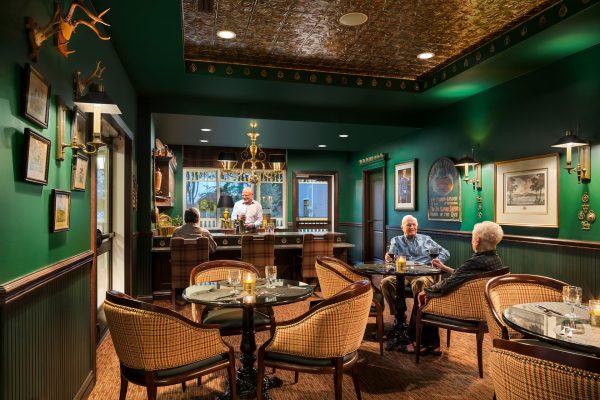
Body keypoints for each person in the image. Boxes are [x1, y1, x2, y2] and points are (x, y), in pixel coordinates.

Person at [409, 221, 505, 355]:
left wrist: (426, 291)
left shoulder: (475, 261)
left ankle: (418, 343)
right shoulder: (495, 260)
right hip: (482, 309)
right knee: (429, 294)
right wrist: (444, 268)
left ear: (476, 241)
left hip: (464, 308)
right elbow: (465, 276)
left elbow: (448, 283)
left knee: (422, 298)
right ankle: (433, 345)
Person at [381, 215, 450, 317]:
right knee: (385, 282)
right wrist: (389, 258)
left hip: (423, 274)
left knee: (419, 282)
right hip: (402, 275)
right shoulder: (396, 240)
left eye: (414, 225)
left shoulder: (426, 239)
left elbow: (445, 253)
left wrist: (436, 261)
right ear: (402, 227)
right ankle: (398, 314)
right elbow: (390, 256)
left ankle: (417, 317)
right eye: (409, 225)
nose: (412, 227)